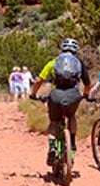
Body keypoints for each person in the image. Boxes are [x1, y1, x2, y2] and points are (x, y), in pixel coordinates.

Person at [29, 37, 90, 165]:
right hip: (73, 95)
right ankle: (72, 143)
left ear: (62, 49)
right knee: (71, 115)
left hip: (56, 95)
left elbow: (39, 80)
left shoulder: (54, 62)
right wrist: (85, 95)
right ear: (75, 51)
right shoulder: (79, 63)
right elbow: (87, 84)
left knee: (53, 122)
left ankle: (52, 147)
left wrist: (34, 94)